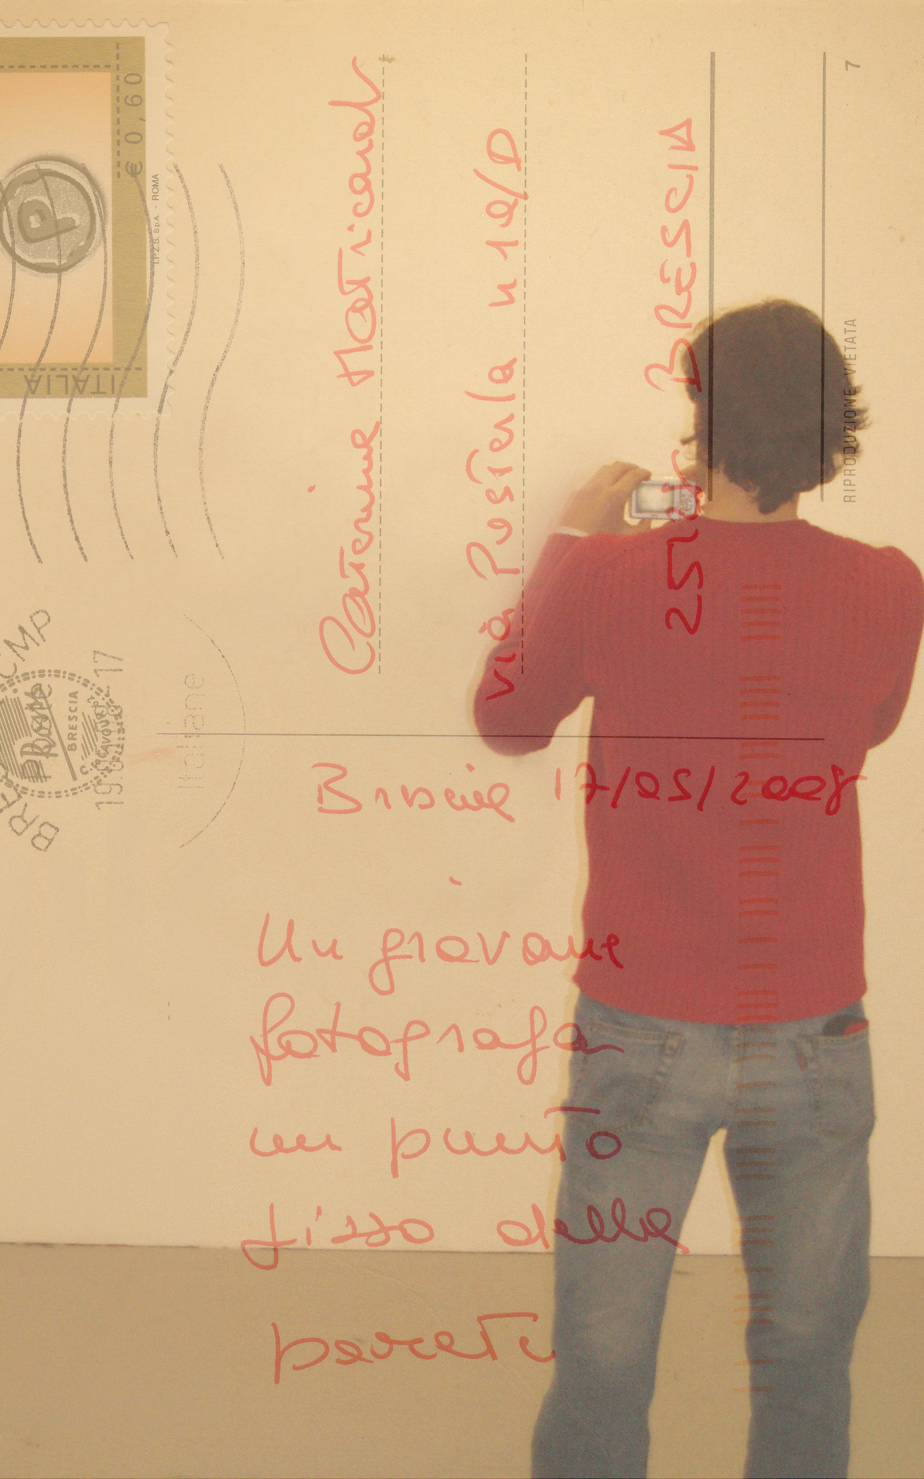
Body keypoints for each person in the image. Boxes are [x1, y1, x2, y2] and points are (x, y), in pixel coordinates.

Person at [472, 299, 924, 1479]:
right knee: (807, 1358)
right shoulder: (888, 586)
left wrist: (570, 539)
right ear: (830, 430)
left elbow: (506, 717)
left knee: (603, 1358)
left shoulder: (610, 577)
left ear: (701, 419)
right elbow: (867, 726)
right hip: (815, 1030)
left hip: (640, 1027)